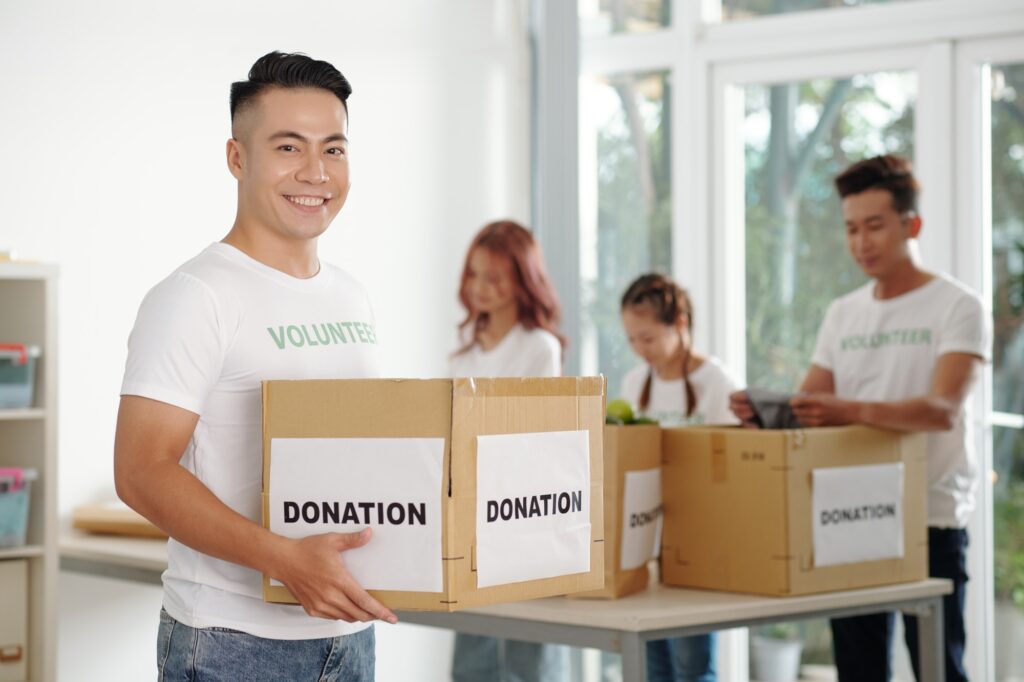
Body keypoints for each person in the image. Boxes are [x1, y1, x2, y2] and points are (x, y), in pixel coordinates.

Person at [114, 52, 395, 681]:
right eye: (289, 147)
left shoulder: (352, 295)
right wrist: (284, 560)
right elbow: (139, 471)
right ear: (238, 158)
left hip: (349, 631)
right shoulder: (195, 296)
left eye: (334, 149)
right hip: (233, 642)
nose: (316, 172)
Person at [731, 154, 989, 682]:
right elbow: (812, 405)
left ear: (910, 225)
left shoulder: (957, 305)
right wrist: (769, 413)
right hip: (849, 511)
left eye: (875, 226)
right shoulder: (843, 312)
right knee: (858, 670)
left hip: (930, 515)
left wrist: (844, 410)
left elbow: (942, 410)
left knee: (940, 667)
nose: (861, 242)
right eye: (851, 229)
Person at [449, 220, 568, 682]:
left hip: (523, 516)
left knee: (528, 660)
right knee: (474, 657)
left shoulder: (539, 347)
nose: (479, 289)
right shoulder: (463, 353)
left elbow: (535, 439)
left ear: (522, 281)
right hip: (471, 518)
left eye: (494, 278)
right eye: (473, 275)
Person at [617, 273, 737, 682]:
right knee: (652, 662)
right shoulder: (634, 383)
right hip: (647, 541)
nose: (639, 349)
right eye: (632, 339)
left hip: (700, 543)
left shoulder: (717, 383)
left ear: (680, 323)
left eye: (647, 338)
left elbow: (730, 467)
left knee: (692, 665)